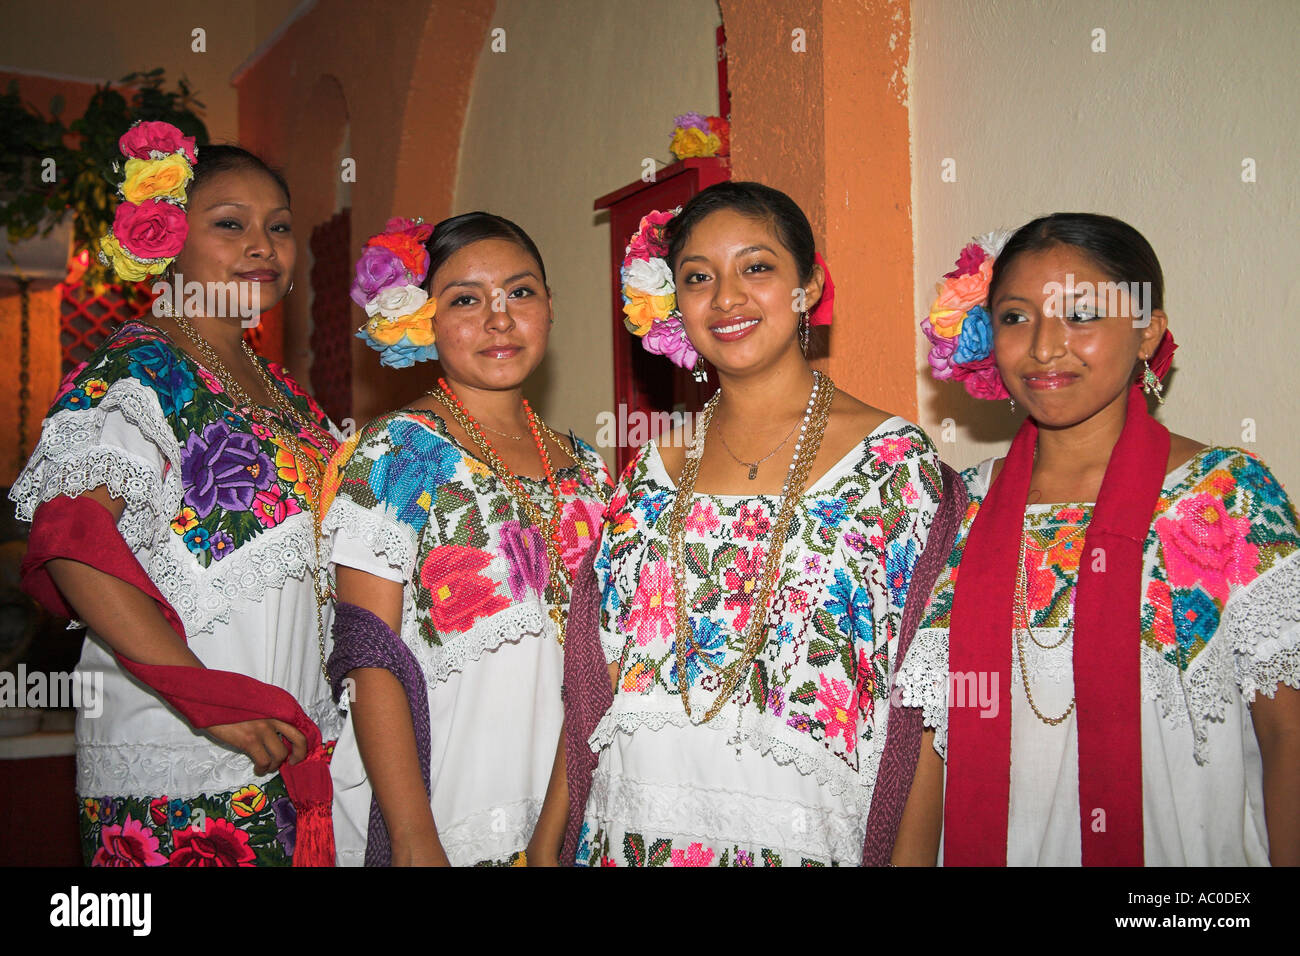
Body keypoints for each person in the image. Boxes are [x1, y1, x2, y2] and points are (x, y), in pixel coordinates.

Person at [535, 181, 953, 867]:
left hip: (804, 837)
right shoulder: (652, 467)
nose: (726, 298)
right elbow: (595, 682)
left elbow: (928, 705)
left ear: (810, 285)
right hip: (630, 828)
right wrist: (549, 839)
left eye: (756, 267)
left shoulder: (892, 465)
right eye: (698, 278)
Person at [899, 212, 1300, 865]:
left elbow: (1289, 734)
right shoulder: (961, 508)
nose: (1045, 346)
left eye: (1081, 314)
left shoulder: (1224, 497)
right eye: (1015, 317)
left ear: (1148, 333)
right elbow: (922, 742)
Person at [13, 124, 342, 866]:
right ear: (165, 239)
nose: (264, 245)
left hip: (290, 752)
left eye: (280, 227)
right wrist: (205, 697)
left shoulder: (289, 396)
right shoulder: (135, 374)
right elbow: (74, 545)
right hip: (188, 758)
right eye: (231, 224)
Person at [325, 212, 613, 866]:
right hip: (450, 809)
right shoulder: (397, 452)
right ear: (424, 320)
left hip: (576, 807)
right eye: (465, 300)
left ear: (549, 308)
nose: (499, 319)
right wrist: (413, 836)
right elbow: (369, 659)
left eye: (521, 292)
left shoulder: (589, 469)